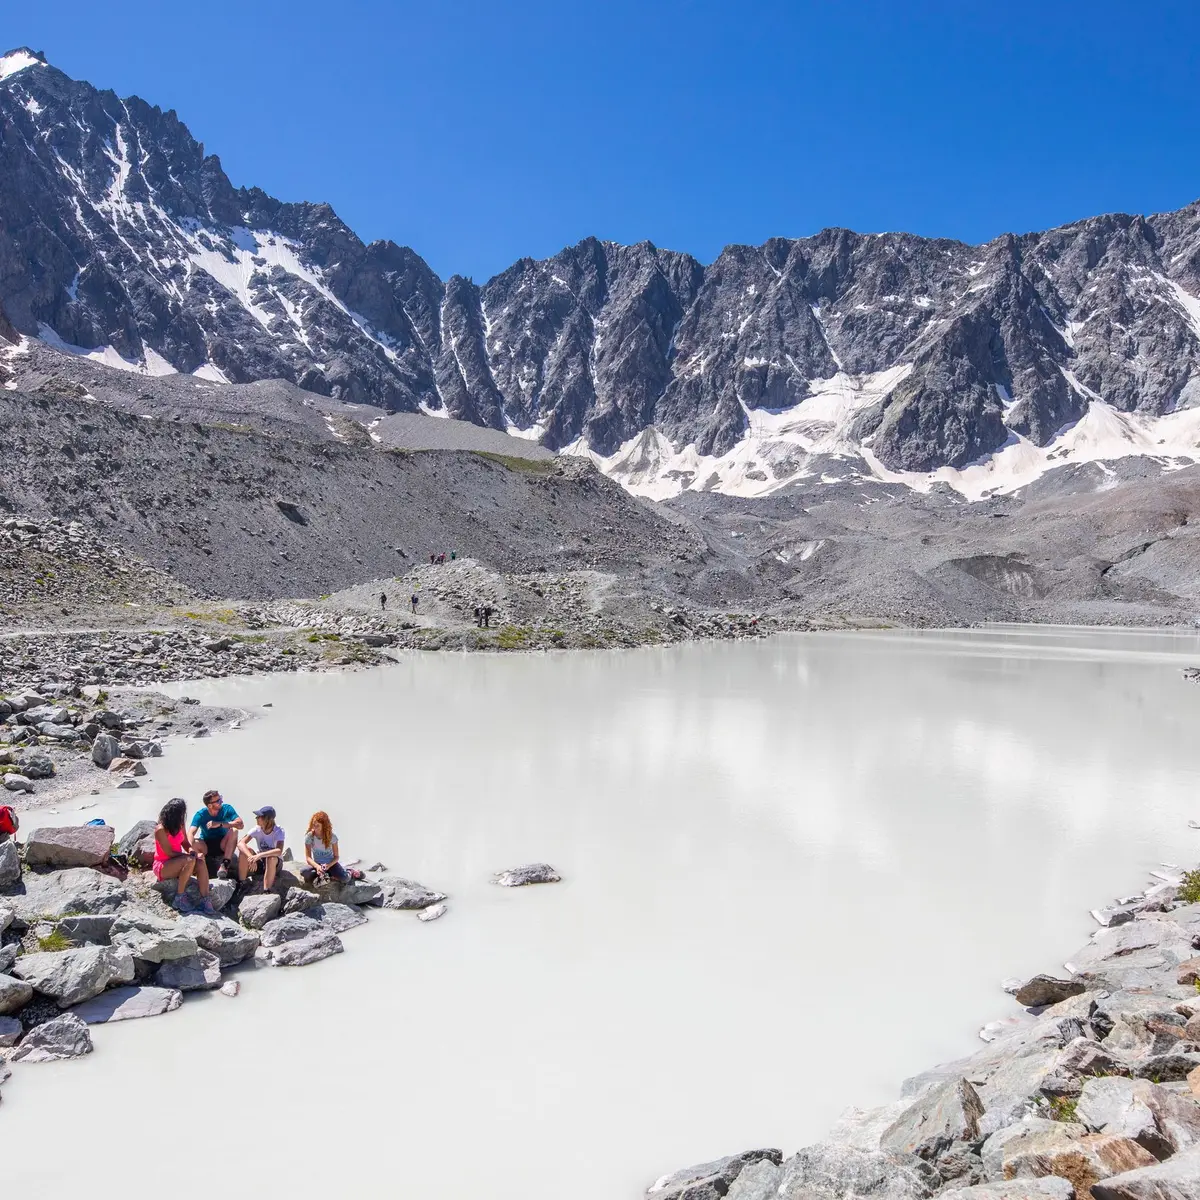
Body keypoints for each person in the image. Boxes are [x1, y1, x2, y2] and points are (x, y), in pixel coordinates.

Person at [153, 798, 215, 914]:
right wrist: (189, 856)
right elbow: (169, 853)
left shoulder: (180, 824)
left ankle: (205, 899)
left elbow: (185, 843)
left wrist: (192, 851)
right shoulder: (160, 829)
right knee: (190, 860)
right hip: (163, 865)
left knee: (200, 862)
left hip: (179, 861)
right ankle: (179, 897)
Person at [189, 790, 244, 879]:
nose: (221, 801)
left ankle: (225, 864)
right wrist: (191, 850)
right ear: (210, 805)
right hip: (206, 845)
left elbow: (240, 824)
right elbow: (190, 833)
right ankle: (199, 865)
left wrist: (220, 824)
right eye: (218, 801)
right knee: (193, 840)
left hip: (223, 843)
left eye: (221, 798)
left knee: (234, 831)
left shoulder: (227, 808)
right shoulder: (201, 814)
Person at [238, 806, 285, 890]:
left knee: (270, 858)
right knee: (244, 851)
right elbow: (241, 843)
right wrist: (251, 857)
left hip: (275, 863)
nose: (256, 818)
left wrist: (259, 855)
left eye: (259, 816)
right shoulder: (257, 829)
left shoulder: (278, 830)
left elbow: (279, 851)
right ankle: (242, 883)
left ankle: (266, 890)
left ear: (267, 819)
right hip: (261, 863)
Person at [302, 810, 348, 885]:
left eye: (317, 826)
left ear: (324, 826)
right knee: (304, 872)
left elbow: (336, 857)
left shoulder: (332, 837)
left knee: (345, 879)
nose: (314, 828)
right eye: (313, 825)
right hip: (317, 864)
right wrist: (317, 867)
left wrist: (328, 865)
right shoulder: (309, 837)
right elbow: (308, 858)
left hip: (331, 864)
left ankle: (350, 871)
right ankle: (327, 874)